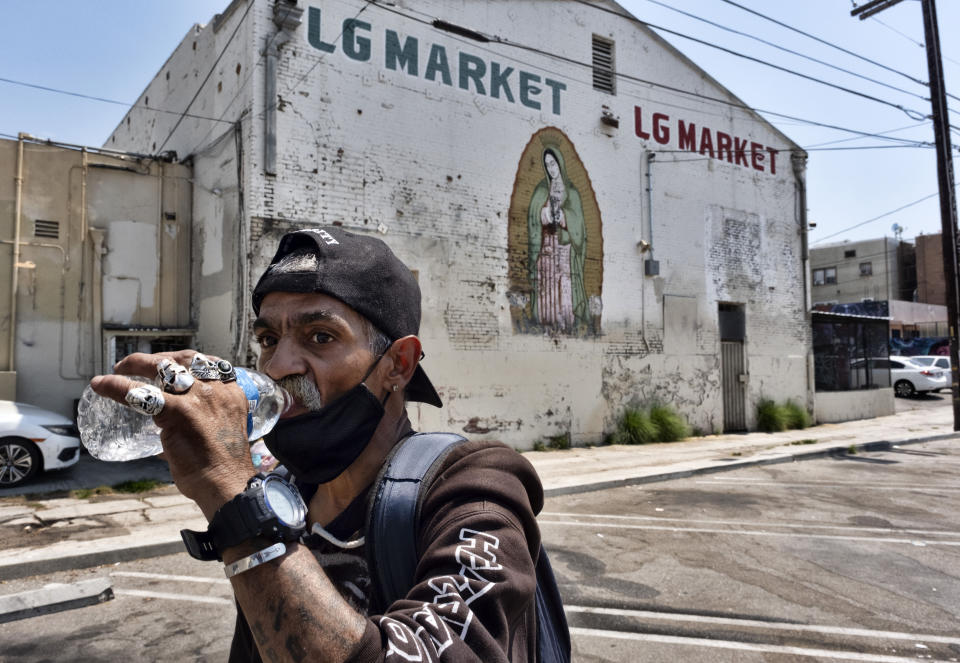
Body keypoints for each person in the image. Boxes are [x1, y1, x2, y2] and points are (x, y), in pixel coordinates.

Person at [90, 227, 546, 662]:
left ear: (398, 365)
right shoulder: (283, 491)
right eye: (269, 338)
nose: (279, 364)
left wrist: (232, 496)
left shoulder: (476, 487)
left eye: (320, 337)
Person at [526, 147, 588, 332]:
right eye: (547, 165)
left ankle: (566, 327)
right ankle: (546, 327)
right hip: (545, 249)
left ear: (560, 163)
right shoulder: (541, 190)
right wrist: (543, 213)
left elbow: (579, 225)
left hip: (563, 250)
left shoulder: (572, 192)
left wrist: (562, 216)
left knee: (563, 289)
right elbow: (533, 215)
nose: (551, 168)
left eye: (553, 163)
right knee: (547, 288)